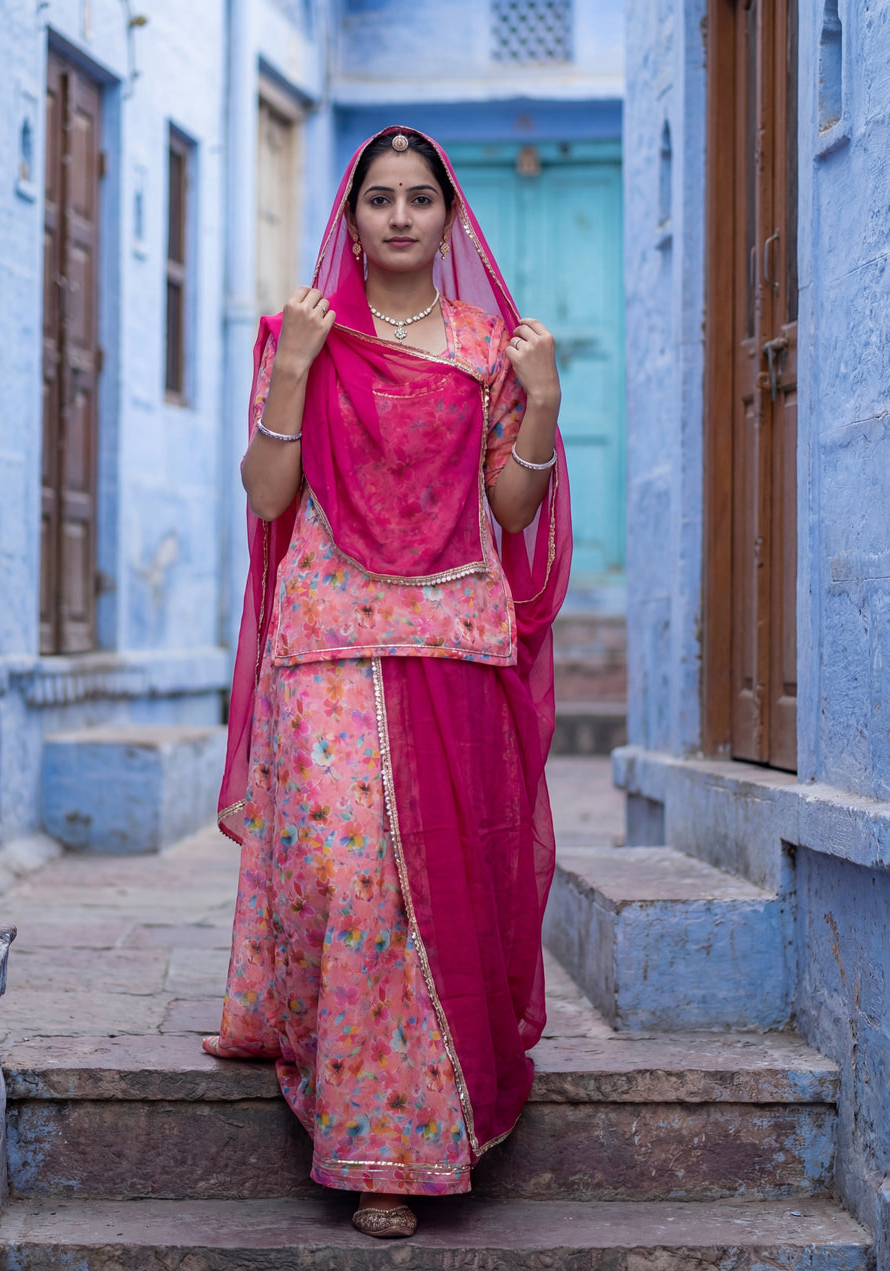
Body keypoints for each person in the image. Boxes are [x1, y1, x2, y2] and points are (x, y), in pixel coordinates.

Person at [204, 126, 572, 1239]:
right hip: (325, 636)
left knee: (433, 884)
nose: (401, 216)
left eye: (420, 198)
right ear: (350, 217)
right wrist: (302, 369)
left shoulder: (484, 348)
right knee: (351, 878)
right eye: (380, 199)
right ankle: (349, 1095)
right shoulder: (302, 332)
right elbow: (268, 496)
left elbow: (509, 513)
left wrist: (543, 403)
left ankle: (395, 1151)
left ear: (449, 217)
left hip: (449, 635)